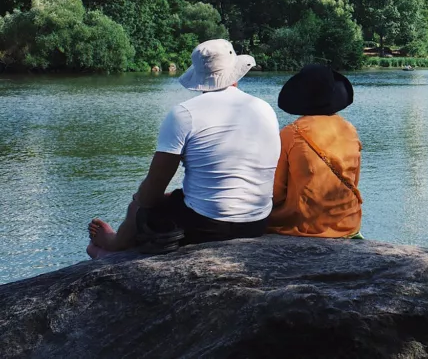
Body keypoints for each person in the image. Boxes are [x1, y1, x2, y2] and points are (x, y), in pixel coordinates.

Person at [87, 39, 281, 258]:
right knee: (172, 198)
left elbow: (152, 190)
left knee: (140, 205)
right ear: (234, 74)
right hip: (256, 223)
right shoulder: (263, 108)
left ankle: (114, 245)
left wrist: (138, 204)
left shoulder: (184, 114)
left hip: (208, 228)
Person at [268, 65, 363, 238]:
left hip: (306, 225)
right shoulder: (349, 130)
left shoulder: (292, 133)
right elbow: (354, 181)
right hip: (348, 222)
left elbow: (276, 192)